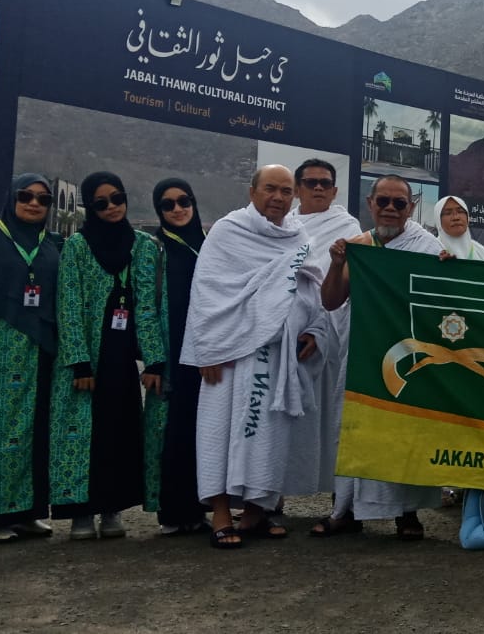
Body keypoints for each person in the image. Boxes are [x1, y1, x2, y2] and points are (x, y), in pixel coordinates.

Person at [183, 165, 327, 549]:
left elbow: (312, 290)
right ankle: (220, 514)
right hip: (229, 352)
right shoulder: (228, 232)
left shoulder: (298, 237)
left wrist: (315, 329)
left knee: (269, 435)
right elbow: (206, 292)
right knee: (221, 429)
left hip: (277, 354)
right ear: (252, 192)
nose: (277, 197)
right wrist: (207, 349)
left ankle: (254, 512)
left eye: (285, 191)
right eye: (270, 189)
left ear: (293, 196)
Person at [316, 175, 447, 540]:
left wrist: (447, 266)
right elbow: (330, 301)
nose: (390, 209)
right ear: (370, 204)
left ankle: (407, 513)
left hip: (407, 356)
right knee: (354, 429)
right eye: (383, 201)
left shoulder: (427, 247)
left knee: (403, 431)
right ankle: (345, 510)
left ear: (411, 207)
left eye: (399, 203)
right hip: (362, 353)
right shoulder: (357, 247)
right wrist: (336, 264)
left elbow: (441, 298)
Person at [54, 171, 166, 540]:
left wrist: (154, 359)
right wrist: (78, 362)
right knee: (83, 434)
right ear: (91, 207)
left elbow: (149, 305)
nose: (112, 207)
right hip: (87, 358)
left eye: (117, 198)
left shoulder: (144, 246)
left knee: (119, 432)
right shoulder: (77, 246)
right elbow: (68, 305)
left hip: (121, 359)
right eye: (101, 203)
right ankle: (81, 514)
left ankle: (112, 509)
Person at [0, 174, 62, 543]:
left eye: (43, 199)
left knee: (33, 437)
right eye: (25, 196)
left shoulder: (50, 245)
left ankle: (25, 514)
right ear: (12, 198)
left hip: (40, 357)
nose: (34, 203)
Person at [281, 159, 363, 507]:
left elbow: (345, 283)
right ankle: (271, 496)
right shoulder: (282, 226)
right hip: (286, 332)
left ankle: (339, 499)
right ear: (298, 188)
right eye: (311, 182)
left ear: (334, 190)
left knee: (332, 415)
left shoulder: (348, 228)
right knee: (283, 414)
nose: (318, 188)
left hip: (332, 330)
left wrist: (318, 326)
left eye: (325, 183)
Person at [151, 178, 212, 537]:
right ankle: (172, 512)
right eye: (167, 204)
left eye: (183, 201)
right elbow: (146, 307)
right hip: (172, 353)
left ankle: (197, 510)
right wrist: (154, 361)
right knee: (172, 432)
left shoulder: (209, 244)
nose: (177, 209)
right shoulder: (154, 248)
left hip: (206, 352)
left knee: (200, 431)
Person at [434, 195, 484, 261]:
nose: (456, 218)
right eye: (448, 213)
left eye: (460, 211)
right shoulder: (431, 250)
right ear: (438, 220)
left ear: (467, 216)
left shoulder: (482, 252)